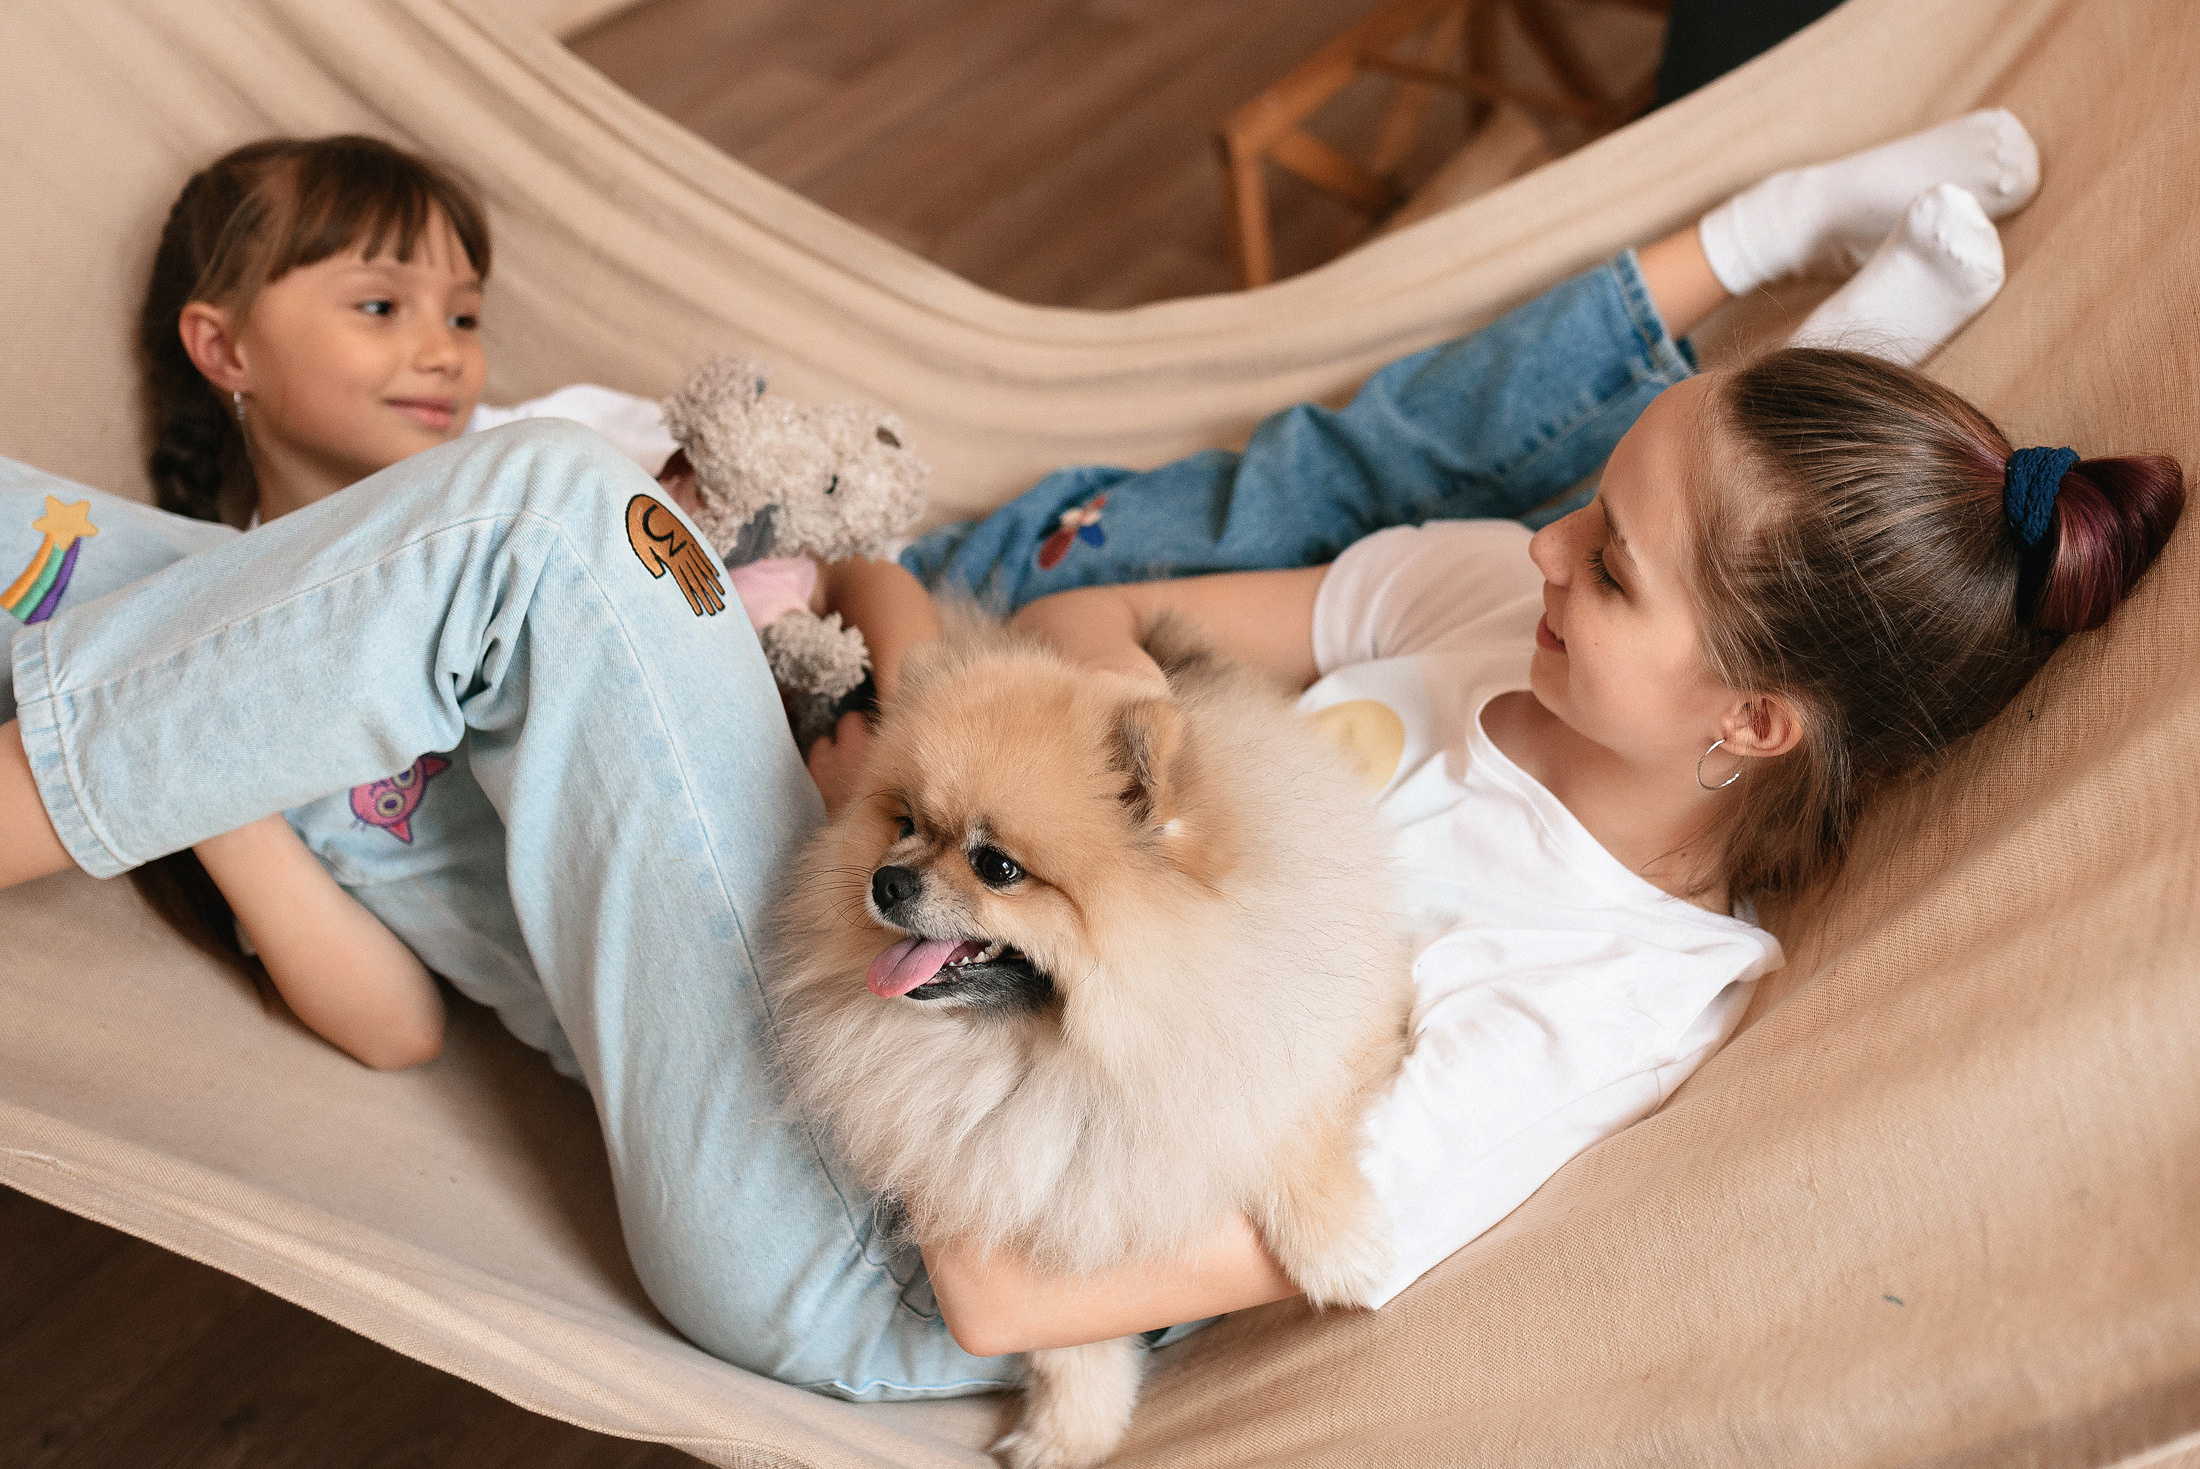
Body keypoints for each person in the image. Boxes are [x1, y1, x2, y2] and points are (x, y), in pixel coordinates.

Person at [5, 112, 2160, 1398]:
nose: (1551, 547)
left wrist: (986, 884)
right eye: (1589, 499)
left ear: (1744, 720)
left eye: (1616, 567)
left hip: (850, 1230)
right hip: (874, 932)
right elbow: (1081, 629)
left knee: (554, 530)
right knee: (225, 548)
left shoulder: (1587, 994)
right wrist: (953, 752)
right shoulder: (1481, 610)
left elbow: (1003, 1281)